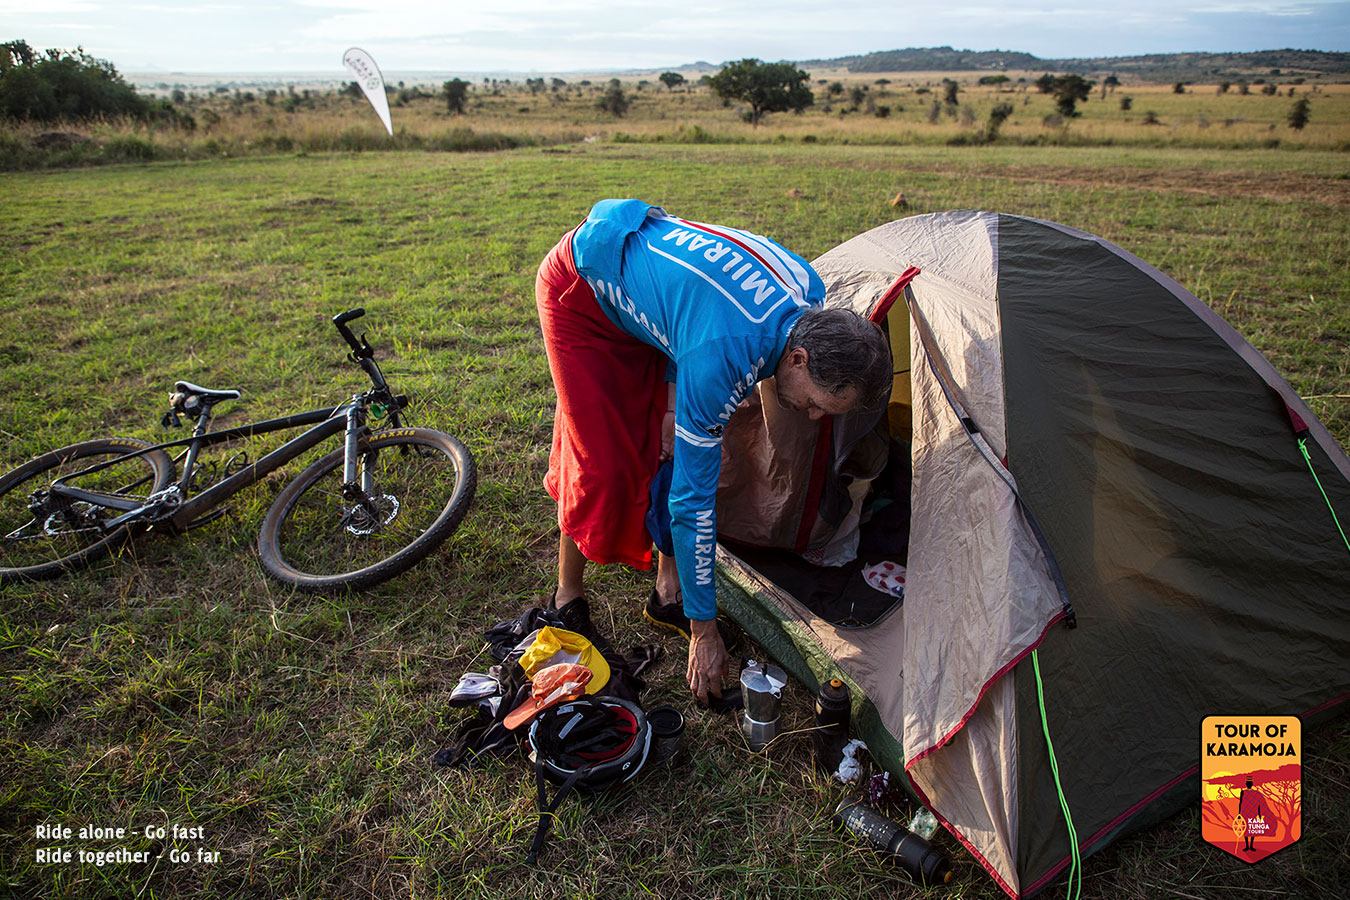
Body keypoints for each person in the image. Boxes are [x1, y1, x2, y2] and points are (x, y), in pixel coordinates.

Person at [535, 199, 891, 704]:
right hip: (581, 294)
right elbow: (693, 503)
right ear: (798, 356)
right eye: (815, 404)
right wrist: (705, 632)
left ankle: (667, 592)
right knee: (601, 465)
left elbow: (695, 310)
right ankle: (567, 595)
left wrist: (672, 401)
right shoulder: (722, 355)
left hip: (663, 308)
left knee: (670, 449)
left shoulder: (808, 287)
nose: (812, 417)